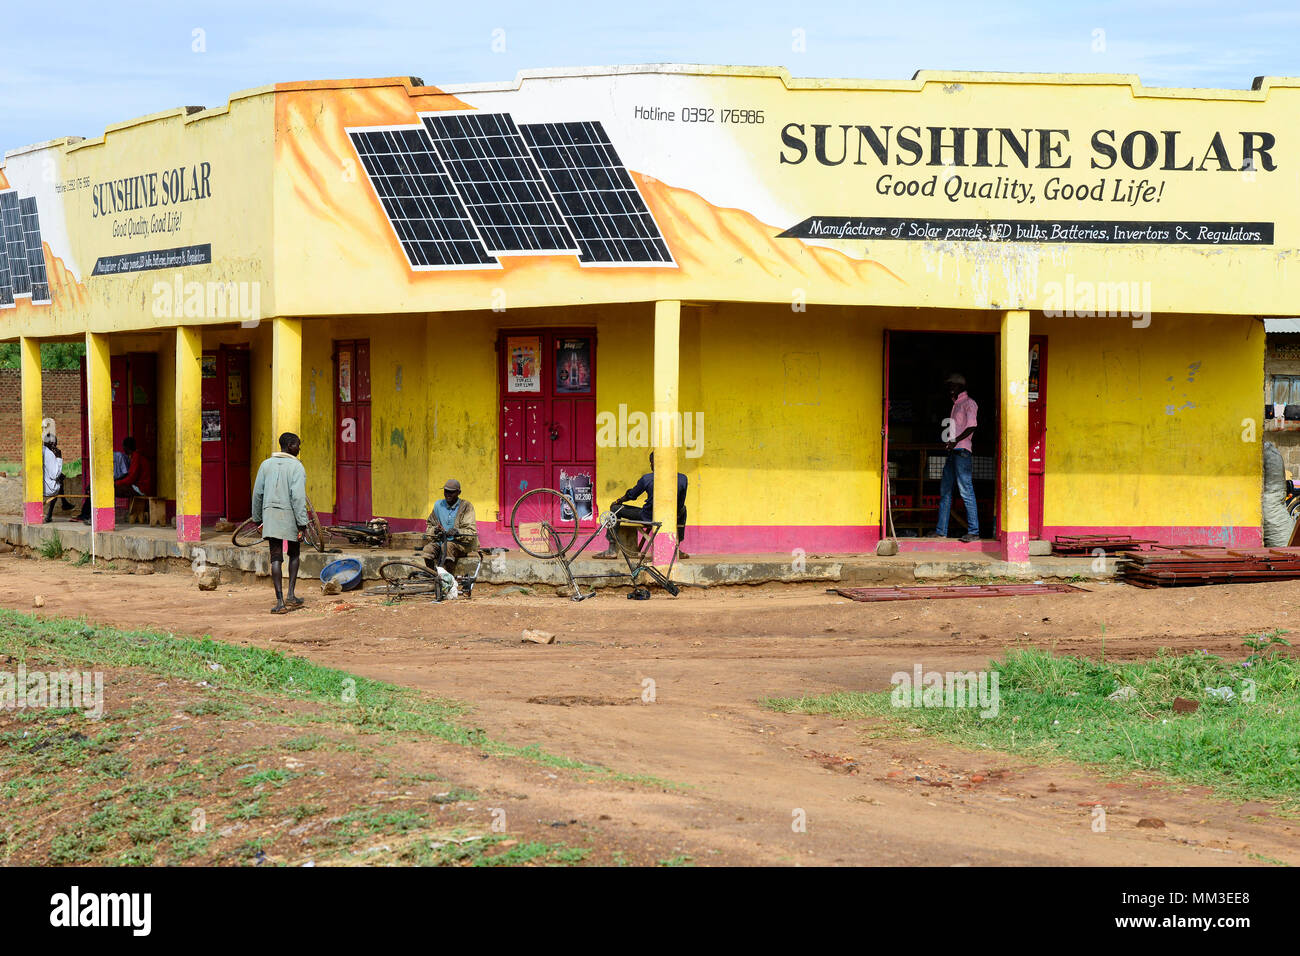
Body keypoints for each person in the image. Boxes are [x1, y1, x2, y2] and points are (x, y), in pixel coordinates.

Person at [251, 432, 309, 614]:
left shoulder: (265, 465)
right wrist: (302, 523)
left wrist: (257, 518)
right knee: (294, 553)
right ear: (291, 445)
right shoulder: (297, 467)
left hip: (270, 516)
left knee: (275, 557)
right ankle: (291, 594)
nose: (299, 448)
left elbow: (257, 493)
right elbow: (298, 497)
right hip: (290, 516)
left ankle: (280, 602)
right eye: (298, 445)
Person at [594, 452, 688, 559]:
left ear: (655, 462)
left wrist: (619, 501)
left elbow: (632, 495)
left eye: (651, 462)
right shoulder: (683, 478)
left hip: (648, 517)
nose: (650, 465)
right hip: (670, 518)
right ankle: (676, 547)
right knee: (683, 509)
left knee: (615, 509)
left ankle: (612, 549)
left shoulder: (647, 479)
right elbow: (681, 502)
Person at [931, 372, 980, 543]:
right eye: (949, 385)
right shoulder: (956, 404)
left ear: (961, 387)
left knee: (966, 490)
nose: (950, 388)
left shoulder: (969, 403)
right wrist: (951, 443)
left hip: (962, 451)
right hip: (954, 451)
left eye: (953, 385)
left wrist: (955, 441)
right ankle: (941, 531)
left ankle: (974, 531)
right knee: (945, 491)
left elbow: (972, 426)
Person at [422, 479, 478, 574]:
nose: (448, 494)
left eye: (451, 492)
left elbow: (471, 532)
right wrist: (435, 531)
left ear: (459, 492)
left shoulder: (466, 506)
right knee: (428, 550)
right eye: (446, 491)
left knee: (447, 546)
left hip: (461, 544)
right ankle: (433, 576)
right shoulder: (438, 505)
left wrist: (457, 532)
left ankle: (448, 579)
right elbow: (429, 527)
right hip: (441, 542)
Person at [42, 438, 64, 523]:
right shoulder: (49, 453)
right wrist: (59, 457)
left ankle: (64, 503)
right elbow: (54, 475)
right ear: (52, 443)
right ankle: (51, 513)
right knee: (60, 480)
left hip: (39, 485)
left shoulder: (42, 450)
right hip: (48, 489)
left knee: (60, 478)